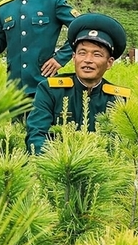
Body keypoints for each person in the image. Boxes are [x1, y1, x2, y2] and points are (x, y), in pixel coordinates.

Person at [26, 13, 131, 153]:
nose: (88, 59)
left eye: (97, 54)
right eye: (82, 53)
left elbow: (130, 142)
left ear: (109, 63)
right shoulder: (49, 90)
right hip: (57, 168)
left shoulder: (119, 99)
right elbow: (36, 136)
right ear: (74, 58)